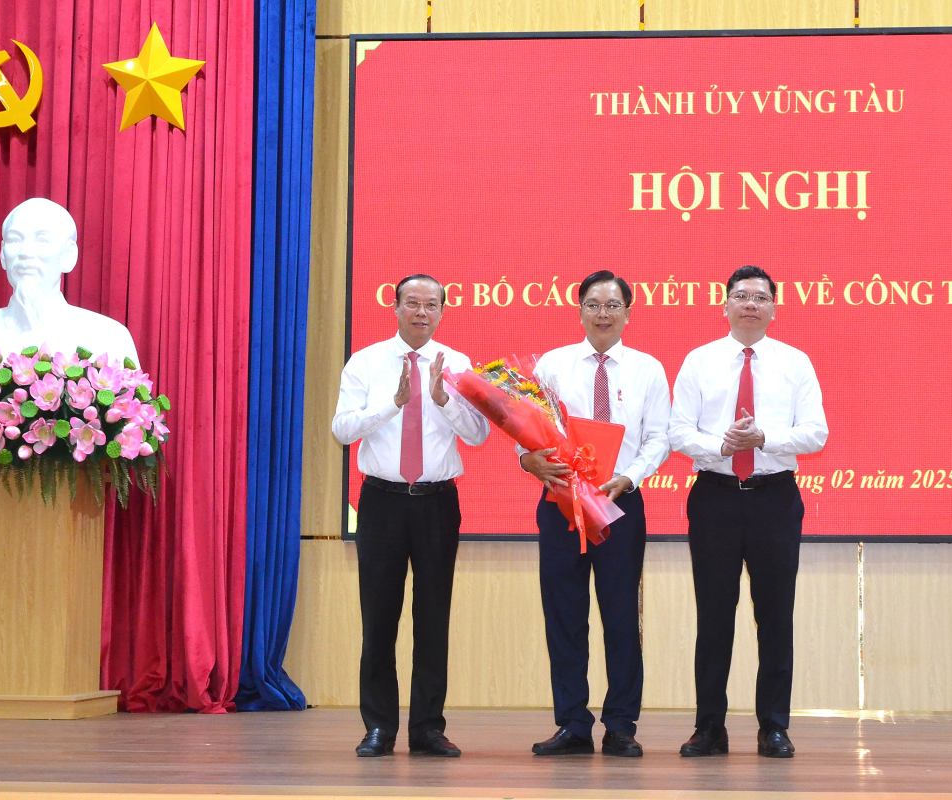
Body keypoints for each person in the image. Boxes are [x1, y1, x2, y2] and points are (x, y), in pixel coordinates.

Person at [668, 265, 828, 759]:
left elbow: (816, 433)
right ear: (725, 304)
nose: (750, 304)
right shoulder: (700, 361)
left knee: (775, 616)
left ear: (774, 308)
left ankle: (774, 727)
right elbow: (678, 432)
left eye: (760, 297)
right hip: (715, 496)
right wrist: (721, 444)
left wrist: (765, 439)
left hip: (774, 498)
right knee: (714, 616)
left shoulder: (795, 362)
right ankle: (708, 728)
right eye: (741, 295)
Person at [332, 274, 489, 758]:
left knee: (433, 616)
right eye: (413, 303)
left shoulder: (458, 365)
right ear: (395, 306)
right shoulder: (366, 362)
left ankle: (427, 728)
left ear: (443, 311)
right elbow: (341, 429)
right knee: (379, 617)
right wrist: (392, 403)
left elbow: (479, 433)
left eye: (432, 305)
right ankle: (379, 726)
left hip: (438, 503)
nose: (422, 312)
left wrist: (443, 400)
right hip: (381, 501)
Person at [519, 270, 671, 758]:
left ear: (628, 310)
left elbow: (658, 439)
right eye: (593, 304)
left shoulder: (648, 368)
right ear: (579, 309)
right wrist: (528, 461)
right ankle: (573, 723)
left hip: (620, 502)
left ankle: (622, 724)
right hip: (561, 500)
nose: (602, 313)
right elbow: (528, 427)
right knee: (564, 615)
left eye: (612, 305)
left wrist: (629, 477)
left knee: (622, 615)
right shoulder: (553, 365)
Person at [0, 197, 139, 364]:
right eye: (15, 240)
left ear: (69, 255)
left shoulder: (109, 338)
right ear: (2, 255)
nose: (25, 252)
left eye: (42, 239)